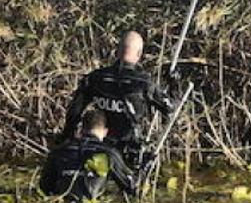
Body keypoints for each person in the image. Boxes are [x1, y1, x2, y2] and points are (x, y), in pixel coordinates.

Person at [59, 30, 174, 166]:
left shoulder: (95, 78)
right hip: (128, 152)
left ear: (117, 51)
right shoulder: (143, 82)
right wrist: (173, 85)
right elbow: (170, 108)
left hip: (98, 150)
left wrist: (67, 138)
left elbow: (74, 112)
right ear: (139, 54)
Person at [39, 109, 139, 201]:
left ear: (81, 129)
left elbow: (45, 187)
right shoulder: (108, 153)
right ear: (105, 131)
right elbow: (131, 186)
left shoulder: (59, 151)